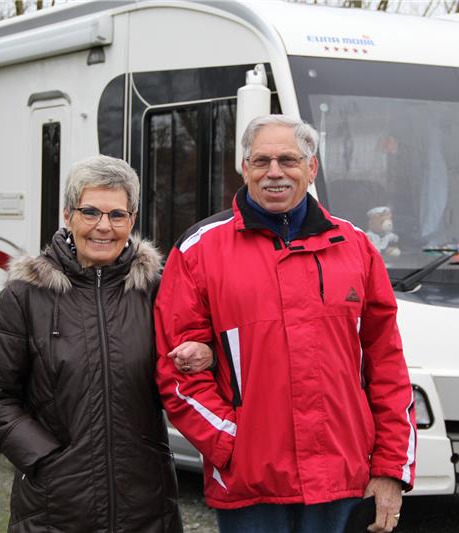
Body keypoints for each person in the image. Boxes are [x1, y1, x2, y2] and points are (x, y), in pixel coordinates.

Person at [154, 115, 416, 533]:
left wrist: (390, 466)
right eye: (261, 161)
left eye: (288, 160)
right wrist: (232, 444)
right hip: (251, 485)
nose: (274, 172)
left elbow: (387, 366)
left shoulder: (355, 248)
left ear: (312, 169)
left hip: (344, 480)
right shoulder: (199, 250)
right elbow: (175, 371)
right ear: (244, 168)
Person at [0, 155, 211, 533]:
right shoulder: (25, 296)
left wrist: (205, 353)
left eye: (117, 215)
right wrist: (45, 458)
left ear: (132, 220)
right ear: (68, 215)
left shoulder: (155, 291)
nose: (104, 227)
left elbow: (196, 359)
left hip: (146, 506)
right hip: (55, 509)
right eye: (90, 212)